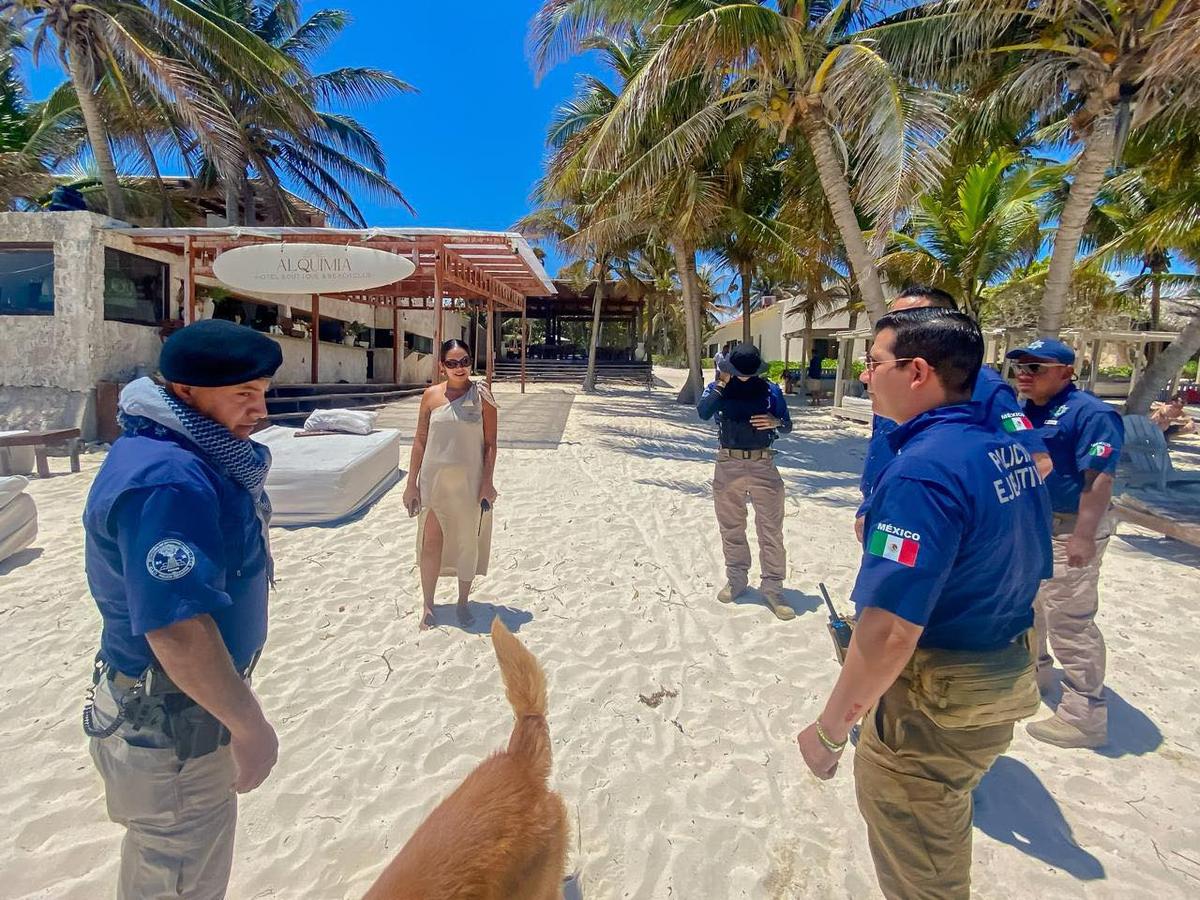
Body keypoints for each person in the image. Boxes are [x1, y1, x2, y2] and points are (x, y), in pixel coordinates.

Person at [796, 308, 1052, 900]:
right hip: (999, 675)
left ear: (916, 372)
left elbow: (890, 631)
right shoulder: (1005, 450)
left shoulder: (922, 472)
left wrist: (830, 733)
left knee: (923, 869)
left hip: (934, 702)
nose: (864, 376)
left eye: (873, 363)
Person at [82, 319, 283, 899]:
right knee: (180, 876)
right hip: (173, 727)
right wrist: (249, 726)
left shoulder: (188, 451)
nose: (259, 410)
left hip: (180, 708)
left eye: (262, 392)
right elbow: (176, 628)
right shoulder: (168, 478)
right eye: (243, 394)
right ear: (185, 390)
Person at [856, 285, 1051, 542]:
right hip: (889, 512)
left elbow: (1036, 462)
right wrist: (873, 506)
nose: (900, 327)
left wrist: (946, 517)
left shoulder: (983, 385)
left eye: (913, 318)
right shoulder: (891, 383)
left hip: (925, 526)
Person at [1007, 338, 1124, 749]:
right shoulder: (1025, 411)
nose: (1024, 375)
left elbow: (1100, 477)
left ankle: (1084, 714)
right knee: (1031, 608)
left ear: (1065, 372)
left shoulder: (1091, 413)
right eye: (1020, 367)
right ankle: (1035, 677)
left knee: (1070, 619)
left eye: (1035, 368)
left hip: (1070, 527)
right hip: (1034, 526)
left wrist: (1084, 536)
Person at [403, 339, 499, 631]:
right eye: (452, 363)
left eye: (465, 361)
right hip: (434, 482)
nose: (460, 368)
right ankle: (428, 604)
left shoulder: (483, 396)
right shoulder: (430, 396)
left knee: (467, 543)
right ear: (442, 366)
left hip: (469, 483)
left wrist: (487, 483)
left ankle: (462, 602)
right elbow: (420, 441)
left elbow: (491, 444)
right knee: (430, 543)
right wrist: (411, 483)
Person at [697, 342, 795, 620]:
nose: (744, 377)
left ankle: (773, 588)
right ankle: (736, 580)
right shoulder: (718, 389)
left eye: (748, 373)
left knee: (771, 529)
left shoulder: (770, 390)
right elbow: (703, 412)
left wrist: (776, 422)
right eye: (740, 372)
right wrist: (721, 383)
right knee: (731, 527)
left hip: (763, 463)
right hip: (728, 463)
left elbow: (787, 424)